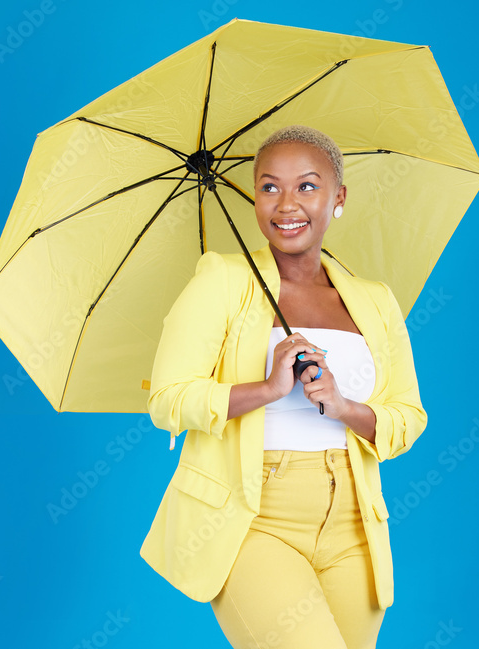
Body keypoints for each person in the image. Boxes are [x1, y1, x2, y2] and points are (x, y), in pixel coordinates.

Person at [139, 124, 427, 648]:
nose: (286, 204)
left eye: (307, 186)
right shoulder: (222, 280)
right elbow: (168, 399)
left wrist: (343, 406)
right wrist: (268, 388)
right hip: (253, 516)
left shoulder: (374, 300)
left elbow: (407, 417)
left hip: (354, 524)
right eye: (269, 187)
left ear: (338, 197)